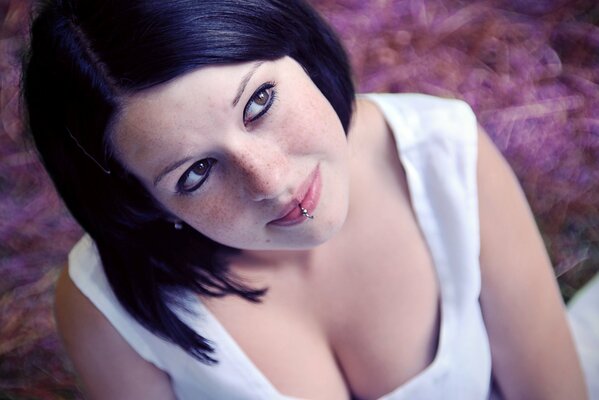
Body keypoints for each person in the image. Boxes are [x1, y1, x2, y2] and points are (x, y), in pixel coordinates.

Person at [23, 0, 592, 399]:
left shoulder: (445, 156)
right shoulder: (105, 309)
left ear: (292, 46)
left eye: (259, 102)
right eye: (195, 172)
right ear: (143, 202)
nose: (271, 181)